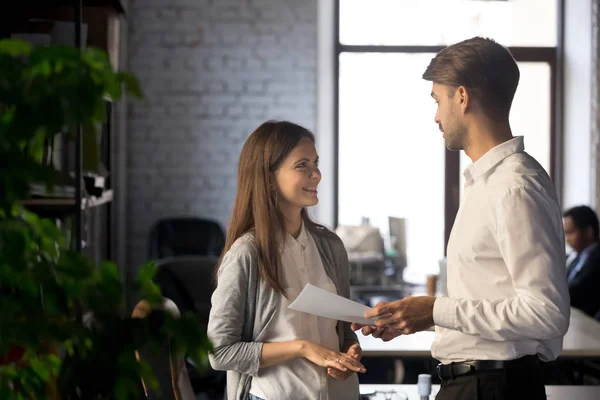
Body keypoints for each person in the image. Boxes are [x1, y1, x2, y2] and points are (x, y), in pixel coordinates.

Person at [352, 37, 570, 400]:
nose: (436, 116)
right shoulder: (487, 184)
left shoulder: (513, 187)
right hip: (478, 383)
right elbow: (487, 302)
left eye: (438, 100)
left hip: (492, 387)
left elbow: (545, 313)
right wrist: (419, 317)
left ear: (463, 97)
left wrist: (436, 309)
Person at [207, 120, 365, 400]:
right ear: (268, 178)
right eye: (302, 165)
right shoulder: (247, 253)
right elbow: (219, 351)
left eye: (315, 163)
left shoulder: (330, 246)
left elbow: (342, 332)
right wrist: (302, 347)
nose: (316, 174)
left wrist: (349, 352)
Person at [563, 205, 600, 317]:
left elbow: (577, 294)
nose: (567, 239)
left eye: (570, 233)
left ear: (588, 232)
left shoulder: (596, 260)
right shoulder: (575, 259)